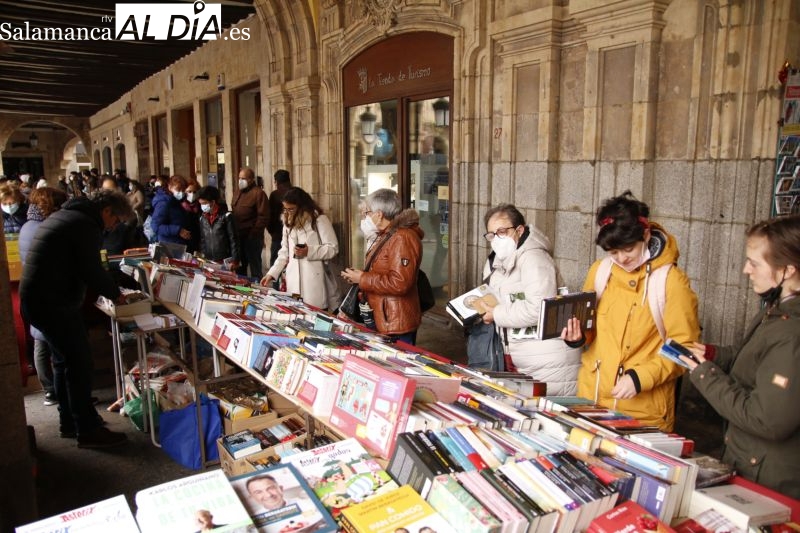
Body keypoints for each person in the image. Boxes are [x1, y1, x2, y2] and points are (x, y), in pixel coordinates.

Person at [679, 215, 800, 498]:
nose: (746, 270)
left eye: (755, 263)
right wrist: (711, 354)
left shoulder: (792, 332)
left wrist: (705, 374)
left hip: (769, 478)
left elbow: (766, 420)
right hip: (749, 459)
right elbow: (755, 361)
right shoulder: (778, 306)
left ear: (788, 269)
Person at [562, 191, 700, 431]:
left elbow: (685, 350)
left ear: (645, 235)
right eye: (613, 252)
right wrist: (579, 337)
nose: (621, 259)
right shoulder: (600, 271)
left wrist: (640, 378)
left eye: (628, 249)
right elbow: (590, 326)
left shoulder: (671, 282)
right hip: (591, 399)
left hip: (642, 410)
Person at [20, 190, 134, 448]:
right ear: (107, 211)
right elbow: (91, 268)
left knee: (64, 363)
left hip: (41, 301)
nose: (112, 227)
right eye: (115, 220)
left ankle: (70, 422)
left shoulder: (69, 215)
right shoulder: (84, 224)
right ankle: (87, 430)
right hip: (53, 303)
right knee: (79, 364)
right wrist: (117, 295)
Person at [477, 204, 581, 396]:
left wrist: (496, 313)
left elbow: (538, 309)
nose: (496, 239)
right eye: (491, 234)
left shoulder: (534, 258)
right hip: (518, 355)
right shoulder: (497, 260)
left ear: (519, 230)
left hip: (547, 360)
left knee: (549, 415)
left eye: (502, 232)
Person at [341, 188, 422, 345]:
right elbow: (381, 270)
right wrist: (358, 277)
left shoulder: (402, 237)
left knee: (397, 365)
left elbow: (400, 283)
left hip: (395, 321)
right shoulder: (387, 234)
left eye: (367, 213)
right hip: (383, 315)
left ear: (379, 214)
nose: (365, 217)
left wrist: (362, 278)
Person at [18, 187, 68, 406]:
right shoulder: (44, 228)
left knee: (41, 342)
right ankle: (57, 391)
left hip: (35, 293)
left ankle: (50, 390)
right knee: (53, 347)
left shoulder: (27, 226)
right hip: (47, 294)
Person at [260, 187, 339, 309]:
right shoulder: (287, 223)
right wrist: (272, 273)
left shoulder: (318, 220)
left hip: (314, 280)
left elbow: (333, 248)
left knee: (315, 312)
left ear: (302, 206)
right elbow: (284, 252)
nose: (288, 212)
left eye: (291, 209)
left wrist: (310, 251)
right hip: (293, 282)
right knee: (297, 313)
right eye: (285, 209)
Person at [233, 167, 269, 278]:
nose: (240, 181)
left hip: (252, 237)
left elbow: (264, 216)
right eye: (239, 178)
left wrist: (254, 232)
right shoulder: (238, 192)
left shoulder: (259, 194)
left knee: (255, 268)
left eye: (243, 178)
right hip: (239, 236)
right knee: (240, 268)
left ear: (251, 179)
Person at [197, 185, 240, 268]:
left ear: (213, 202)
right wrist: (202, 257)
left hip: (224, 260)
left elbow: (234, 240)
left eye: (204, 203)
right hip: (209, 260)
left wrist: (235, 260)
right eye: (201, 204)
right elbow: (203, 240)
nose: (202, 207)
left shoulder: (227, 216)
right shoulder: (202, 218)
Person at [150, 174, 192, 247]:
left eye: (183, 190)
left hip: (178, 243)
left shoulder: (176, 201)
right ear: (170, 187)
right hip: (169, 245)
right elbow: (155, 226)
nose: (181, 193)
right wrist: (178, 230)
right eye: (178, 189)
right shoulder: (164, 203)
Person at [268, 169, 292, 268]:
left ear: (276, 182)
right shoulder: (296, 192)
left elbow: (270, 216)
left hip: (278, 235)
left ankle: (276, 283)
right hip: (291, 235)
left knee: (276, 262)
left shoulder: (275, 195)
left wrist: (272, 232)